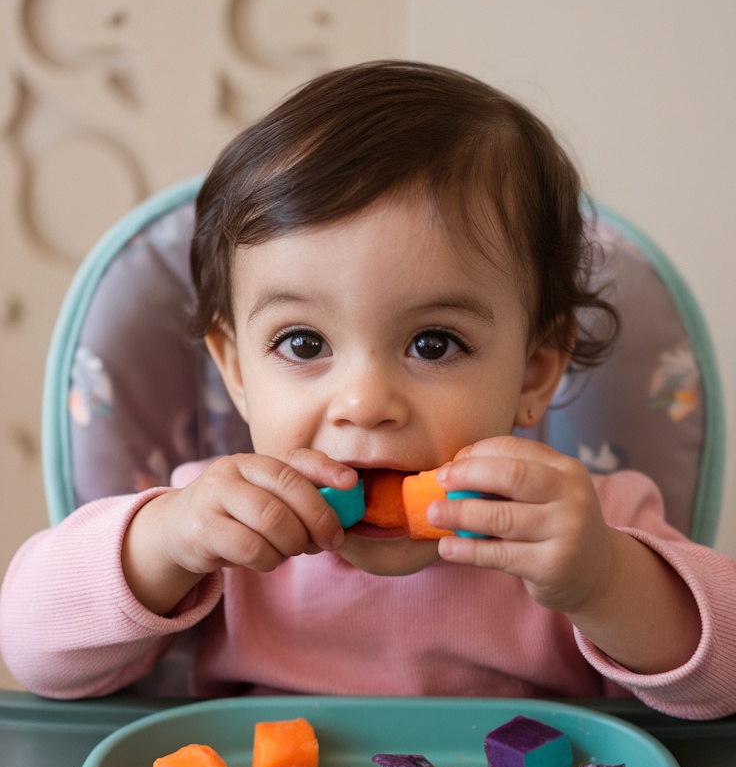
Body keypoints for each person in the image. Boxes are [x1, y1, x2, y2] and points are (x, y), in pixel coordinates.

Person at [1, 62, 734, 717]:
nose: (365, 403)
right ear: (235, 371)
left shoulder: (586, 527)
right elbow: (33, 653)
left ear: (535, 374)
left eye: (433, 344)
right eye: (303, 343)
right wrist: (162, 543)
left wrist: (603, 580)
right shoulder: (222, 527)